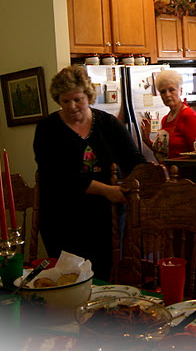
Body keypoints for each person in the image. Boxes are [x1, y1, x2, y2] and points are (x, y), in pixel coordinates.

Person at [33, 65, 145, 280]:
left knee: (103, 276)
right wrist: (106, 190)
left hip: (106, 217)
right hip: (62, 216)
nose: (72, 106)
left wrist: (135, 184)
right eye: (65, 101)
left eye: (78, 99)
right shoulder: (48, 129)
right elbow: (57, 176)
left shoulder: (109, 124)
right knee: (67, 278)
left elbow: (135, 161)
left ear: (88, 96)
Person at [139, 69, 196, 160]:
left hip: (184, 169)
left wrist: (173, 162)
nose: (167, 94)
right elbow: (164, 153)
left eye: (171, 90)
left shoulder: (188, 116)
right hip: (168, 169)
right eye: (163, 92)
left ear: (180, 91)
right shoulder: (165, 119)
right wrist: (146, 140)